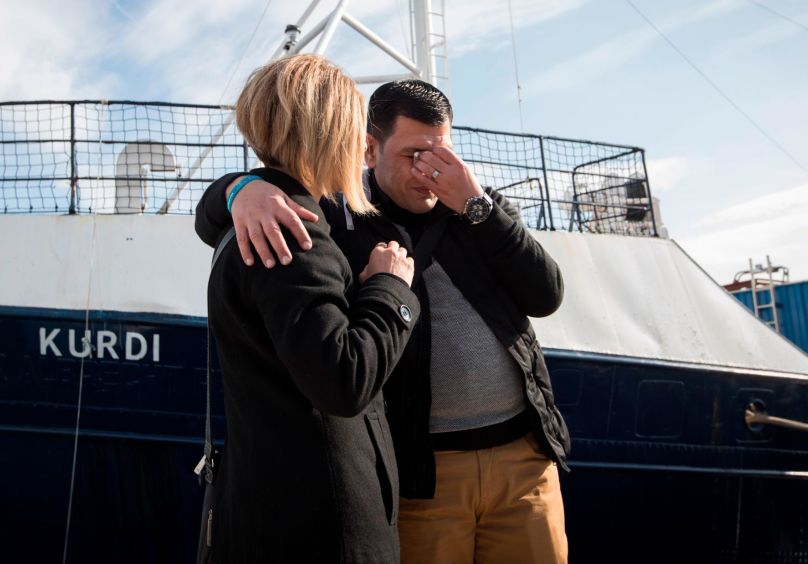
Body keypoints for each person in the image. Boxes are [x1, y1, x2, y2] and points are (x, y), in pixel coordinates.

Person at [197, 79, 571, 564]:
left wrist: (477, 206)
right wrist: (240, 188)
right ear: (369, 149)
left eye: (443, 155)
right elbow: (210, 221)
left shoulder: (478, 209)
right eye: (415, 154)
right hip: (423, 473)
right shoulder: (338, 215)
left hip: (524, 463)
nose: (431, 172)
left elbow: (546, 295)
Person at [194, 55, 420, 563]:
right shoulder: (294, 235)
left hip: (271, 514)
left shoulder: (254, 219)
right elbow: (343, 379)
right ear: (326, 134)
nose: (364, 147)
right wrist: (390, 289)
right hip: (321, 527)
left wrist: (240, 187)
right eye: (355, 130)